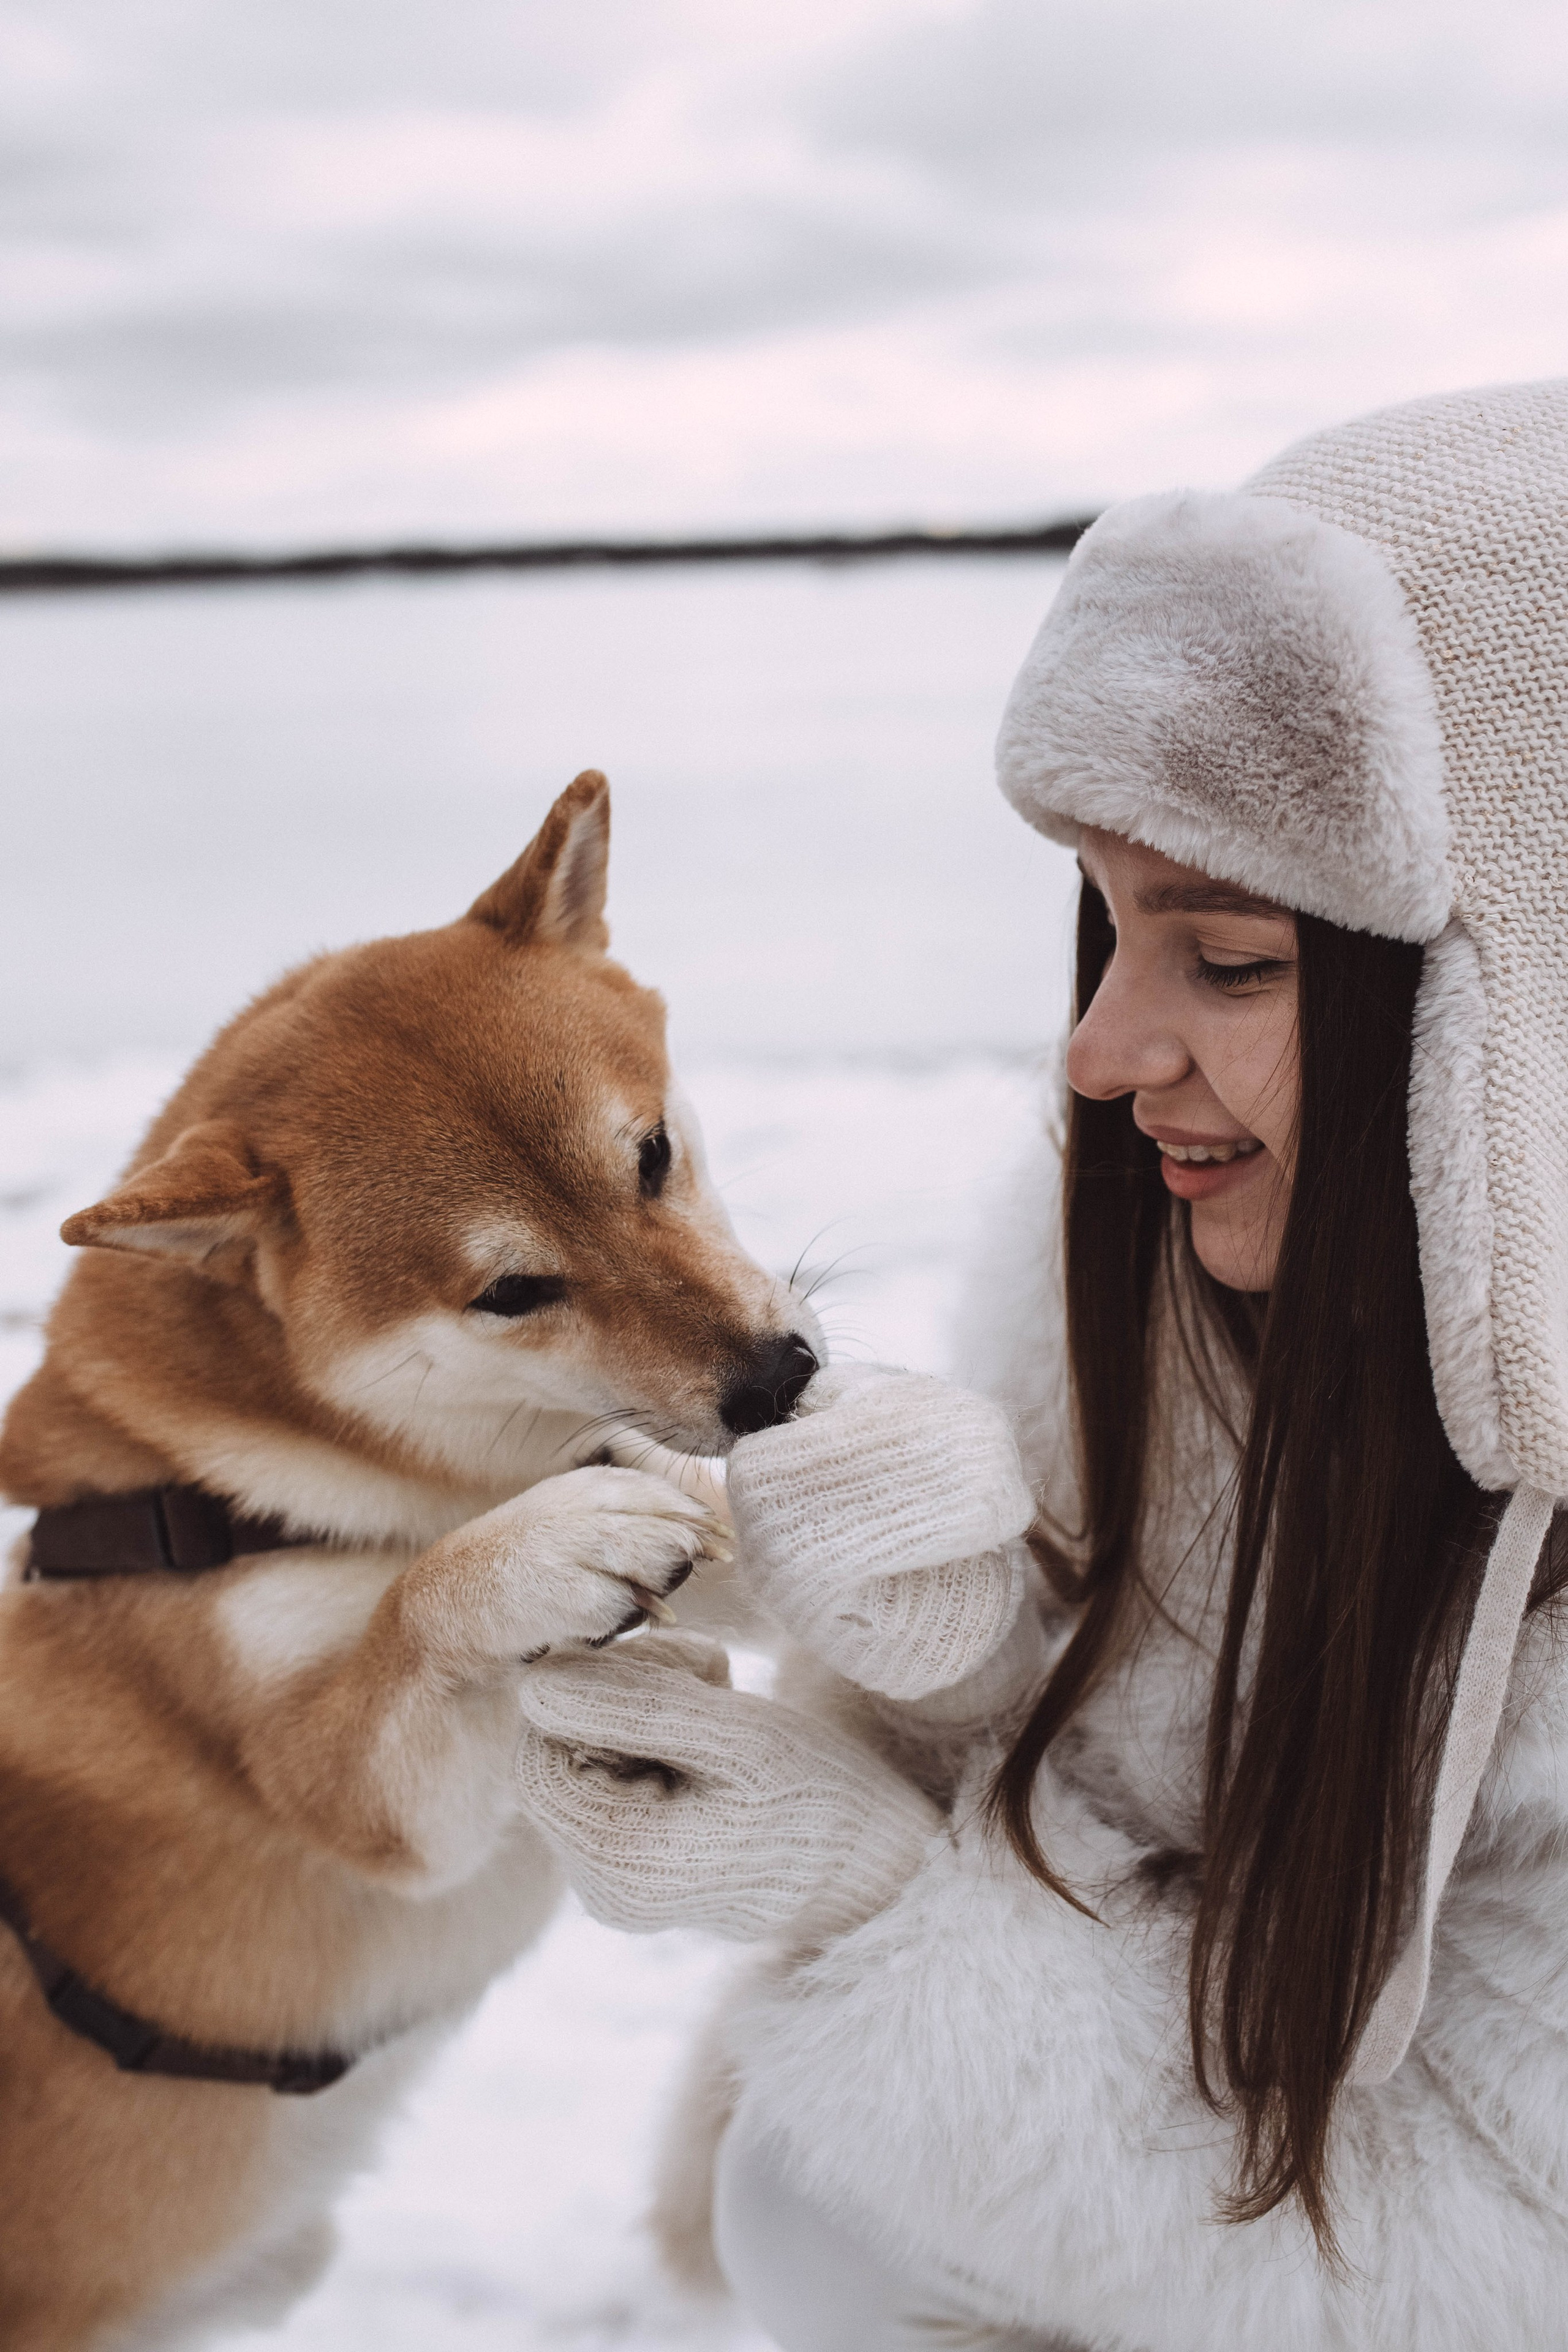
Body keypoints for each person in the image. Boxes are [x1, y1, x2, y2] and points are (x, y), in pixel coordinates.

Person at [511, 377, 1568, 2350]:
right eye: (1104, 928)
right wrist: (955, 1628)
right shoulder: (1163, 1268)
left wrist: (882, 1901)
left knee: (827, 2190)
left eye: (1229, 960)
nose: (1099, 1047)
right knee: (806, 2191)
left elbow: (1487, 2263)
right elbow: (1179, 1780)